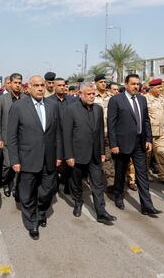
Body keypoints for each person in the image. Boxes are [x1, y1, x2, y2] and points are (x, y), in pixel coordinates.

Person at [7, 75, 62, 239]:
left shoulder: (52, 106)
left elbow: (57, 133)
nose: (40, 88)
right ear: (28, 88)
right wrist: (14, 160)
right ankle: (32, 222)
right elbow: (12, 136)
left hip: (49, 158)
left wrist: (59, 155)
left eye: (42, 85)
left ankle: (41, 212)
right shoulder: (18, 107)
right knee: (27, 192)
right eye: (36, 85)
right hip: (27, 158)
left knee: (47, 190)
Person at [108, 74, 162, 216]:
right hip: (122, 144)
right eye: (133, 84)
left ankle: (147, 205)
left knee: (142, 174)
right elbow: (111, 124)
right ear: (126, 84)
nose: (136, 86)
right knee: (120, 173)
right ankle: (118, 196)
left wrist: (148, 139)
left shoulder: (142, 99)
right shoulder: (116, 100)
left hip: (140, 143)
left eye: (137, 84)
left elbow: (146, 121)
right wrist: (113, 144)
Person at [63, 83, 117, 224]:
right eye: (89, 94)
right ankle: (78, 202)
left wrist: (101, 152)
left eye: (93, 94)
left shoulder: (98, 109)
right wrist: (68, 155)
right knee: (76, 182)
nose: (92, 96)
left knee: (98, 184)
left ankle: (101, 212)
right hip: (77, 154)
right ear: (81, 94)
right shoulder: (71, 109)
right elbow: (66, 135)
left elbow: (99, 132)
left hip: (94, 155)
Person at [0, 73, 24, 198]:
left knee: (20, 166)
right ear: (10, 84)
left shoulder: (25, 98)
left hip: (22, 139)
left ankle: (17, 187)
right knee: (8, 164)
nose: (17, 85)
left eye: (19, 83)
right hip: (6, 138)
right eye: (15, 83)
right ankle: (6, 182)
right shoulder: (3, 99)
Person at [48, 77, 75, 194]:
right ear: (54, 87)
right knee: (55, 162)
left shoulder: (72, 100)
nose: (62, 87)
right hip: (54, 138)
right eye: (59, 85)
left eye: (64, 85)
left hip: (70, 137)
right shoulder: (48, 101)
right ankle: (55, 185)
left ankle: (68, 186)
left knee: (70, 163)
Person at [145, 78, 164, 183]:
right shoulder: (144, 99)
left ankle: (162, 175)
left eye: (161, 87)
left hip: (161, 132)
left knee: (161, 154)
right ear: (151, 88)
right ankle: (145, 174)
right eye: (158, 87)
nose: (160, 89)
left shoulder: (162, 99)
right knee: (147, 156)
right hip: (149, 133)